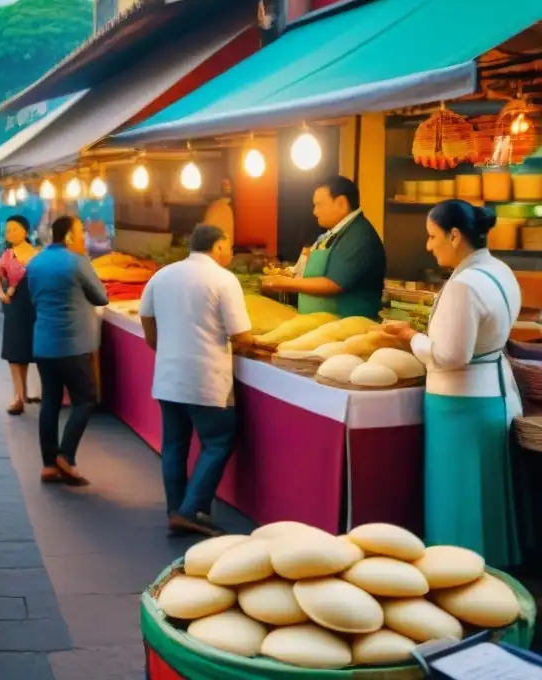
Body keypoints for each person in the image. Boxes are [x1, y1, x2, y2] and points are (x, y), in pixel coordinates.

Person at [382, 200, 521, 567]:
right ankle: (490, 568)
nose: (429, 246)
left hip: (459, 405)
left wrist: (410, 336)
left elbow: (449, 356)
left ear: (455, 236)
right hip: (493, 397)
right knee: (483, 492)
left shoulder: (464, 286)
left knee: (457, 495)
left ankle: (457, 568)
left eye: (432, 237)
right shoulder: (502, 270)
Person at [138, 225, 253, 537]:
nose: (230, 252)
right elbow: (241, 334)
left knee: (174, 445)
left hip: (168, 376)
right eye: (228, 246)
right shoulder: (223, 279)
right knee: (217, 442)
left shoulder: (162, 275)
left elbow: (145, 315)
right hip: (206, 378)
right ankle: (191, 510)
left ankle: (176, 509)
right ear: (216, 247)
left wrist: (159, 345)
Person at [27, 216, 109, 486]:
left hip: (43, 344)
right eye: (81, 233)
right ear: (70, 236)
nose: (84, 238)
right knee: (85, 399)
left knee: (50, 401)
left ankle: (48, 465)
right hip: (73, 345)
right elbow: (101, 297)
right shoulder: (77, 262)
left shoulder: (35, 262)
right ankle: (66, 455)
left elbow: (34, 298)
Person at [261, 176, 385, 319]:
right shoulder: (335, 233)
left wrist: (287, 283)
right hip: (323, 323)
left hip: (346, 327)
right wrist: (290, 275)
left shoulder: (359, 236)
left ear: (341, 204)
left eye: (319, 205)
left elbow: (333, 284)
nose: (315, 212)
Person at [0, 215, 40, 415]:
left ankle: (26, 393)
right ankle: (18, 396)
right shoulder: (7, 255)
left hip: (35, 306)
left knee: (27, 351)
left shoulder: (38, 255)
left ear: (26, 232)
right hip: (15, 306)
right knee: (13, 352)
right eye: (7, 229)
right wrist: (0, 294)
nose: (9, 233)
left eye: (14, 229)